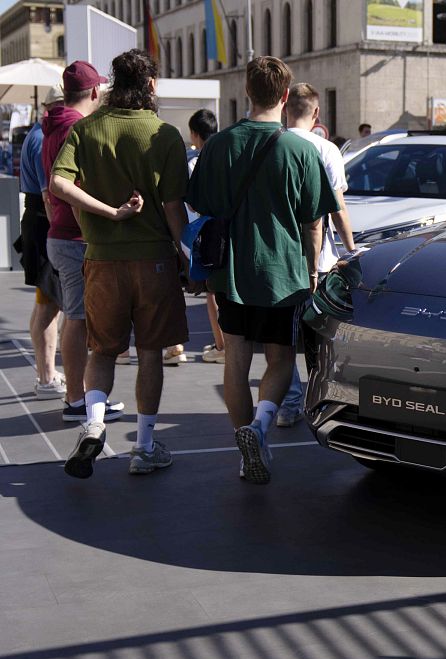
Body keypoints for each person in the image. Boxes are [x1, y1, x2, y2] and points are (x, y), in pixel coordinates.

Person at [187, 57, 338, 484]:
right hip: (283, 274)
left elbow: (199, 203)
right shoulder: (301, 150)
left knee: (235, 360)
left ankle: (244, 446)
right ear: (285, 97)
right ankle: (260, 427)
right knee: (280, 358)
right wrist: (312, 271)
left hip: (230, 271)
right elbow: (314, 223)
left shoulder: (218, 145)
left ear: (247, 92)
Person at [51, 49, 191, 479]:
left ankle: (94, 424)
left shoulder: (87, 128)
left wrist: (108, 214)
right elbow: (174, 209)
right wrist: (186, 256)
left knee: (103, 350)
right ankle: (144, 447)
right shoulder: (164, 135)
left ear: (113, 83)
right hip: (153, 261)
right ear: (150, 85)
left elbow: (58, 183)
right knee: (150, 353)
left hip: (101, 259)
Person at [43, 61, 124, 425]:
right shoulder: (75, 128)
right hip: (75, 237)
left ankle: (79, 396)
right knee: (77, 319)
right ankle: (77, 399)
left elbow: (49, 191)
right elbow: (69, 188)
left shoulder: (51, 126)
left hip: (60, 235)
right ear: (94, 92)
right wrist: (107, 215)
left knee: (76, 318)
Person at [278, 82, 356, 427]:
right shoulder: (326, 149)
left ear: (285, 109)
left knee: (282, 339)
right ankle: (320, 400)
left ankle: (289, 403)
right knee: (320, 337)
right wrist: (351, 249)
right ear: (317, 112)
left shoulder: (273, 144)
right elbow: (336, 207)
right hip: (318, 260)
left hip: (280, 257)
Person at [19, 86, 65, 399]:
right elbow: (49, 194)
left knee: (45, 303)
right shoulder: (41, 139)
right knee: (48, 303)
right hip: (43, 224)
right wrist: (58, 231)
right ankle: (47, 377)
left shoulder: (38, 135)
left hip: (39, 222)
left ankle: (45, 372)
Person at [180, 109, 227, 365]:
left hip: (203, 231)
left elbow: (191, 202)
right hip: (227, 229)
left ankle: (222, 345)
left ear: (195, 134)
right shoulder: (226, 155)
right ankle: (225, 342)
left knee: (211, 291)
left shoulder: (194, 162)